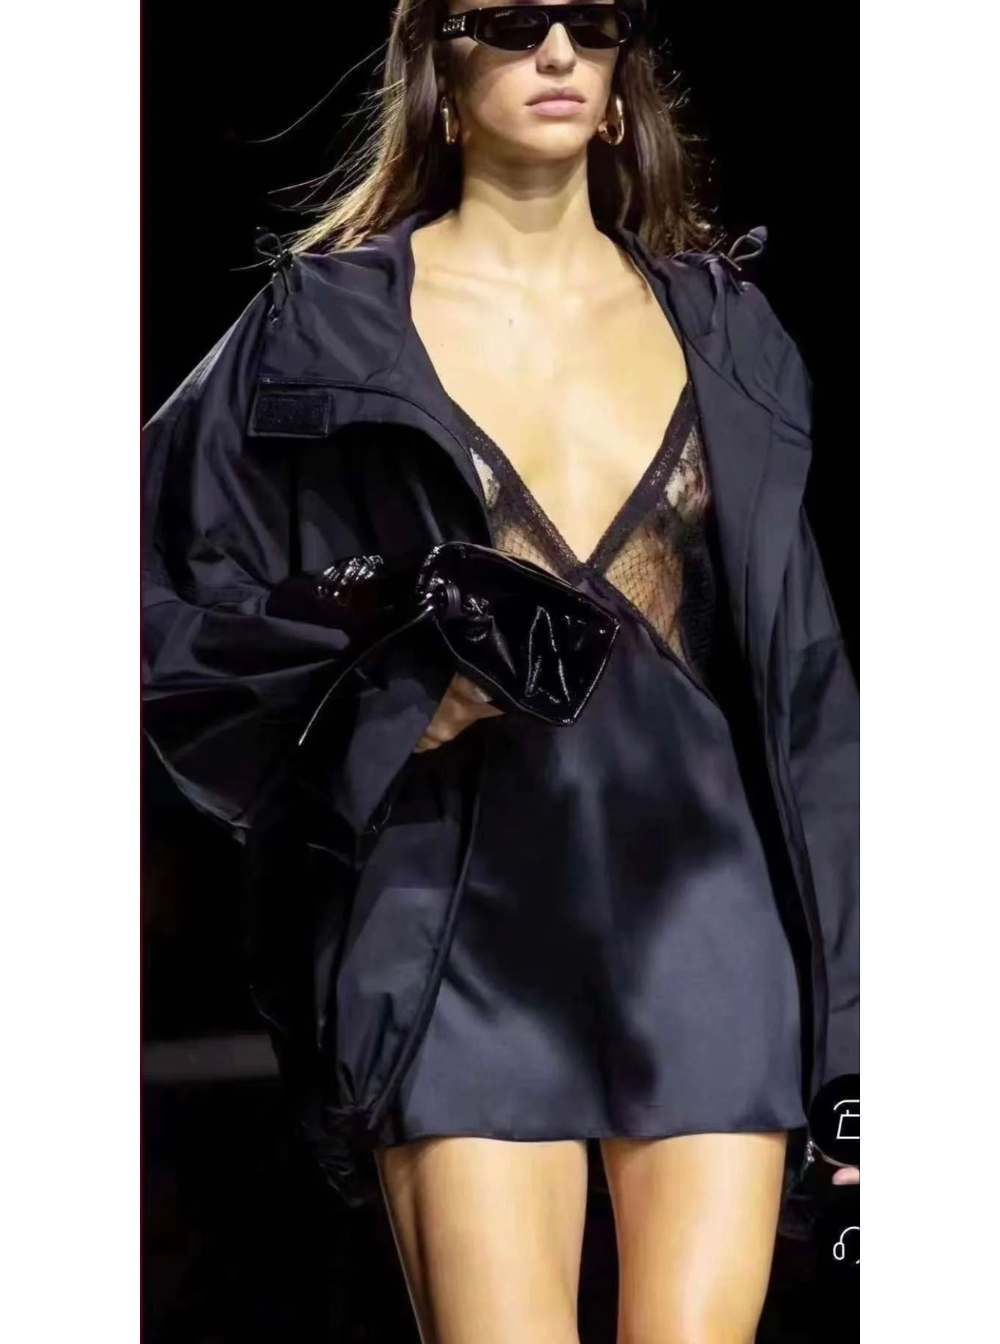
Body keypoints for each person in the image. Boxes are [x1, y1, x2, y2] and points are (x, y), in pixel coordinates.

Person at [141, 2, 859, 1340]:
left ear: (624, 79)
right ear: (436, 70)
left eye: (593, 23)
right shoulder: (321, 326)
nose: (557, 53)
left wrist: (865, 1044)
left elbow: (812, 697)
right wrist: (381, 693)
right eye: (513, 22)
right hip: (454, 916)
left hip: (707, 908)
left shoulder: (728, 331)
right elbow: (151, 597)